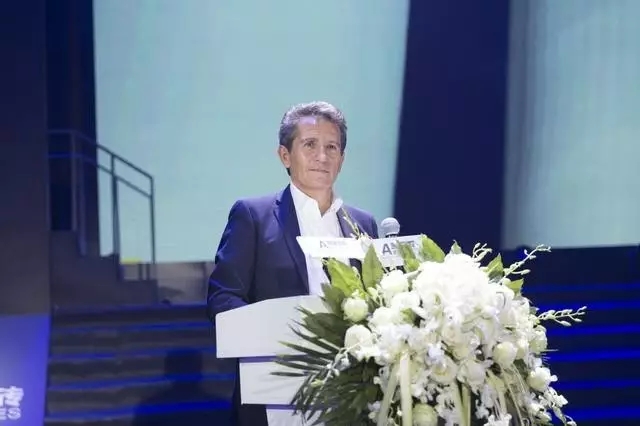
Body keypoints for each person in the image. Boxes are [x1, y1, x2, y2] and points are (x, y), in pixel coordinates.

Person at [207, 101, 379, 426]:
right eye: (310, 144)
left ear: (342, 159)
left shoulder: (363, 223)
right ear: (285, 156)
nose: (322, 156)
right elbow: (223, 298)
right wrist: (277, 334)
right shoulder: (253, 216)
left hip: (352, 394)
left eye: (332, 147)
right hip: (276, 392)